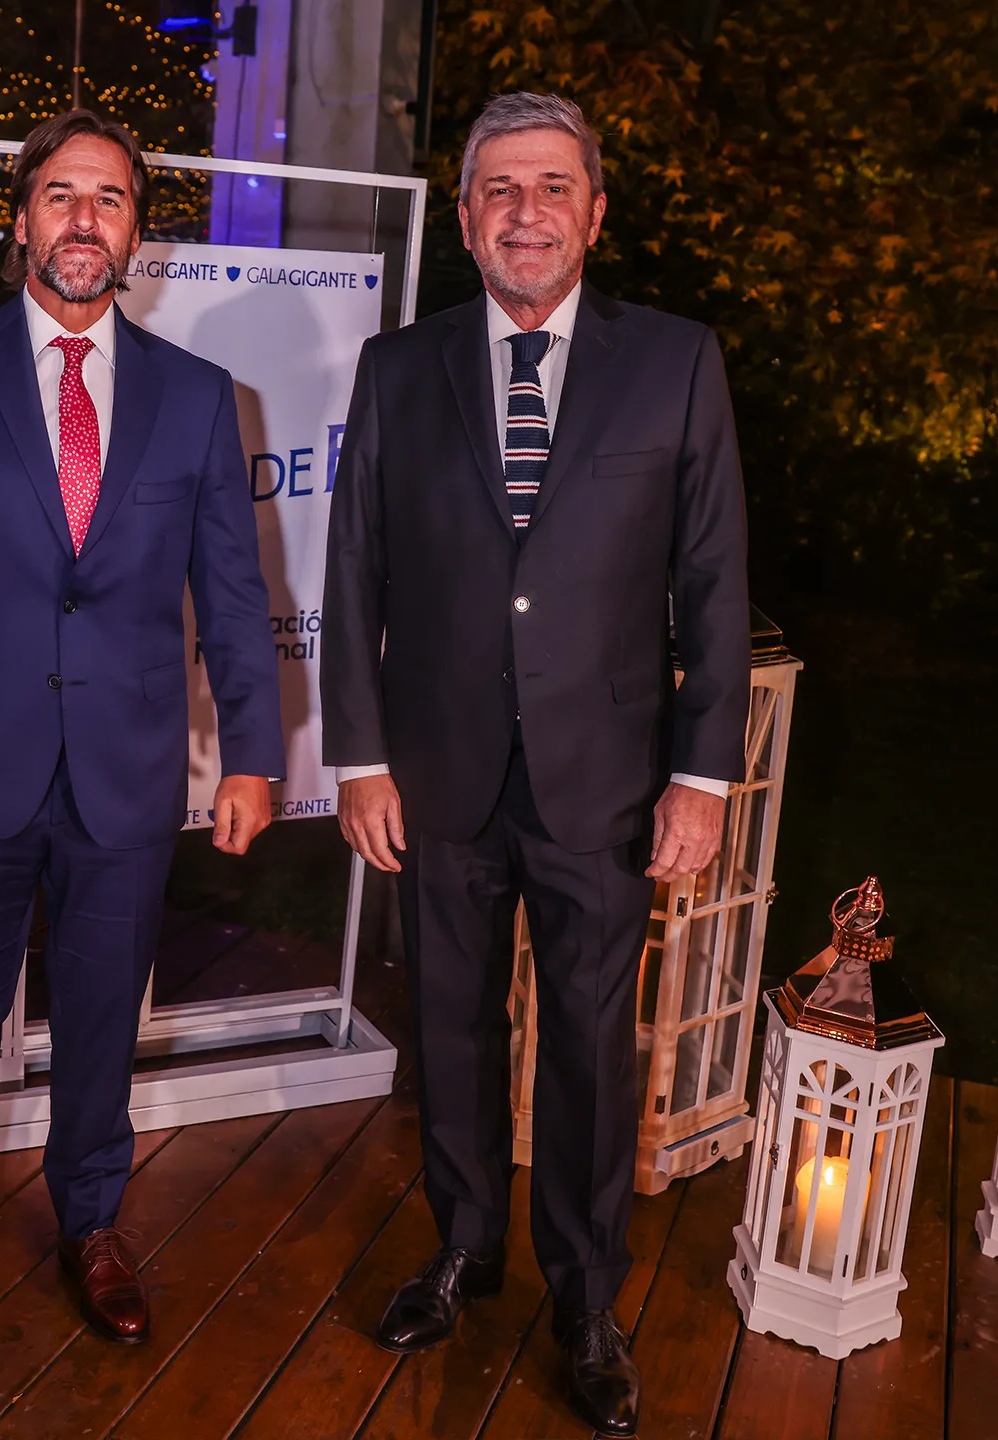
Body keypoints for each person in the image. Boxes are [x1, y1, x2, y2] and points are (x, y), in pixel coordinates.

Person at [321, 92, 750, 1436]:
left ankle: (586, 1295)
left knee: (590, 1044)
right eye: (499, 189)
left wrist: (702, 776)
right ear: (464, 219)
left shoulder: (676, 362)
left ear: (595, 212)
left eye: (552, 186)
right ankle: (464, 1246)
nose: (526, 212)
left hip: (604, 778)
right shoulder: (399, 369)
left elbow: (713, 579)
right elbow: (354, 571)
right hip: (437, 774)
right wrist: (359, 757)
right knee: (450, 1025)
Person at [0, 108, 284, 1364]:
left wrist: (252, 753)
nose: (85, 219)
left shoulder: (197, 397)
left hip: (126, 773)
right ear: (22, 218)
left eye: (110, 199)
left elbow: (231, 594)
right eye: (61, 195)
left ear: (137, 233)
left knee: (102, 1020)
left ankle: (93, 1222)